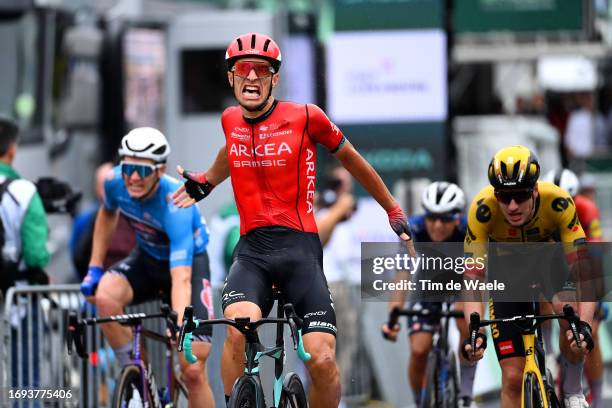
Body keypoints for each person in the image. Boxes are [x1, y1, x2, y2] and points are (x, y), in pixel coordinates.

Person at [172, 32, 412, 408]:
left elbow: (354, 161)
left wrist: (391, 207)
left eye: (261, 70)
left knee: (323, 359)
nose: (252, 77)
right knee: (237, 330)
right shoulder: (229, 119)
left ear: (274, 78)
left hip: (299, 250)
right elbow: (230, 149)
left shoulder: (305, 116)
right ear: (231, 77)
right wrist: (207, 180)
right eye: (243, 69)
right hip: (252, 253)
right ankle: (239, 401)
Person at [80, 127, 215, 408]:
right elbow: (106, 215)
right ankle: (138, 377)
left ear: (160, 170)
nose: (132, 178)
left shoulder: (176, 203)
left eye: (141, 171)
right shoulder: (114, 182)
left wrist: (180, 325)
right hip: (147, 258)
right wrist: (94, 268)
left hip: (187, 266)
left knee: (192, 368)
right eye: (127, 168)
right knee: (105, 296)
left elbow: (181, 278)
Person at [462, 146, 596, 408]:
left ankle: (572, 390)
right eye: (504, 196)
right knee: (512, 379)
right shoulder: (482, 209)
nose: (512, 206)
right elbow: (472, 279)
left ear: (534, 190)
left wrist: (585, 326)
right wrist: (474, 332)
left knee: (569, 313)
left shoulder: (558, 201)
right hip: (506, 271)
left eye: (521, 195)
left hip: (549, 261)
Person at [381, 181, 477, 407]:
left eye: (445, 218)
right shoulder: (414, 229)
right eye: (432, 217)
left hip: (462, 282)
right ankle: (419, 401)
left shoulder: (469, 230)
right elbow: (403, 274)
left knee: (467, 326)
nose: (437, 225)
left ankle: (465, 394)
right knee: (419, 349)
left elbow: (474, 277)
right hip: (426, 288)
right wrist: (393, 315)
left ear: (457, 218)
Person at [543, 168, 606, 408]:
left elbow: (596, 254)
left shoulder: (587, 209)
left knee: (592, 333)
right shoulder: (541, 213)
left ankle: (598, 400)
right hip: (553, 263)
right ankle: (548, 352)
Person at [70, 162, 136, 279]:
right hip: (102, 281)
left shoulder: (135, 215)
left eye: (109, 185)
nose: (106, 191)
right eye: (103, 185)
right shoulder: (87, 218)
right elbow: (79, 256)